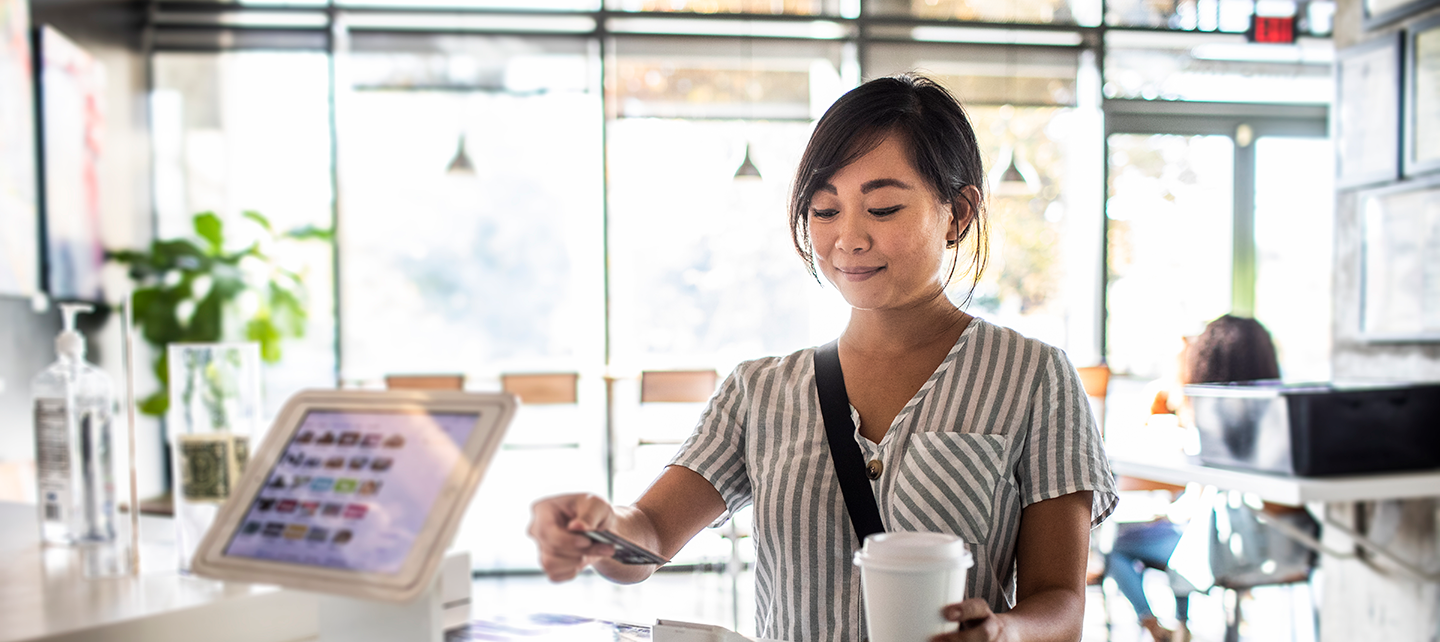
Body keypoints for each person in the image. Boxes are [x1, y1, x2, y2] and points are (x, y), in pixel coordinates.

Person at [528, 73, 1118, 642]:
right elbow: (650, 534)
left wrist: (1004, 633)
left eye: (883, 209)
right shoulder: (759, 392)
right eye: (825, 210)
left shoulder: (1033, 378)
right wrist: (600, 531)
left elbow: (1060, 605)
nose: (849, 239)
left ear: (959, 215)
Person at [1107, 314, 1281, 642]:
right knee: (1177, 536)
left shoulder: (1212, 427)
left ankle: (1157, 627)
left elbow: (1201, 503)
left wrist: (1173, 513)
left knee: (1120, 545)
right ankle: (1180, 626)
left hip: (1224, 547)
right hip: (1280, 549)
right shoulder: (1281, 418)